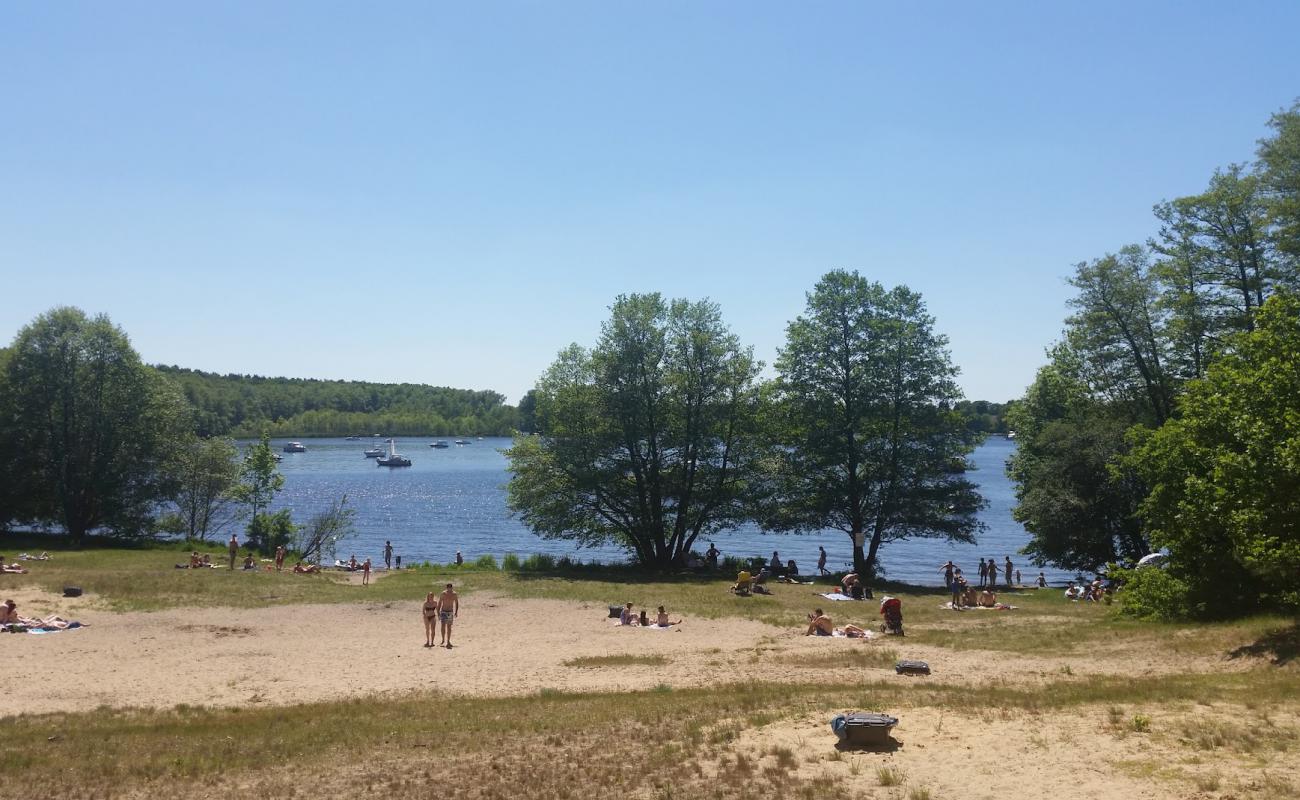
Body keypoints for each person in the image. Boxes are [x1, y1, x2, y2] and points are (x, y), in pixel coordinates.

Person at [437, 583, 459, 647]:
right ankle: (443, 639)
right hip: (443, 611)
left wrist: (456, 611)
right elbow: (440, 602)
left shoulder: (454, 594)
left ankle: (448, 640)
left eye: (450, 588)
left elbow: (456, 603)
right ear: (446, 588)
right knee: (443, 626)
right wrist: (438, 612)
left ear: (452, 588)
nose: (449, 589)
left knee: (449, 627)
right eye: (448, 588)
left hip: (450, 612)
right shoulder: (443, 594)